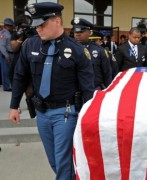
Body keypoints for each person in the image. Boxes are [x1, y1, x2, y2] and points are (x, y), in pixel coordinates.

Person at [8, 2, 94, 179]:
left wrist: (90, 117)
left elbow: (87, 88)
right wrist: (13, 105)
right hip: (42, 113)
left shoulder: (77, 50)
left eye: (42, 24)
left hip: (66, 113)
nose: (38, 29)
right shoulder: (30, 45)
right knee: (54, 160)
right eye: (36, 25)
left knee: (62, 162)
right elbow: (20, 76)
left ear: (57, 21)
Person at [71, 17, 112, 89]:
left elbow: (107, 74)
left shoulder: (100, 51)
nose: (77, 34)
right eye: (75, 32)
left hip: (94, 90)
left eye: (81, 32)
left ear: (90, 33)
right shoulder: (69, 49)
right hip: (74, 91)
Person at [0, 17, 14, 91]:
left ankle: (8, 85)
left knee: (9, 70)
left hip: (10, 53)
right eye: (11, 26)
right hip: (6, 54)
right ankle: (7, 87)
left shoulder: (7, 33)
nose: (12, 27)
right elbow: (1, 46)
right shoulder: (3, 33)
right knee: (6, 71)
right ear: (7, 26)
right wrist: (6, 56)